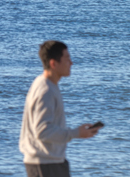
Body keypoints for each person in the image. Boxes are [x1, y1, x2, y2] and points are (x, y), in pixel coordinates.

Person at [20, 41, 100, 176]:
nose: (71, 63)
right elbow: (42, 131)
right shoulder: (45, 90)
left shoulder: (47, 84)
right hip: (44, 164)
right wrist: (75, 133)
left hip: (53, 161)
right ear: (53, 63)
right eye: (67, 59)